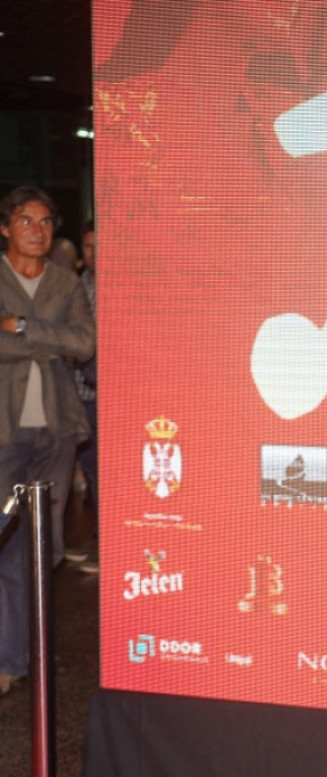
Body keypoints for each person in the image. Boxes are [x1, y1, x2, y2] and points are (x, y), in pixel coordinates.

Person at [0, 187, 95, 695]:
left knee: (48, 545)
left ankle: (27, 647)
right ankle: (12, 656)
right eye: (24, 220)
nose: (36, 231)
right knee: (8, 542)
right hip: (4, 431)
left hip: (56, 429)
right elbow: (65, 342)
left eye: (44, 222)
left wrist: (21, 328)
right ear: (4, 228)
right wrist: (49, 343)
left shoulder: (66, 281)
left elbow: (85, 343)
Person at [72, 221, 99, 573]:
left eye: (100, 245)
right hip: (80, 392)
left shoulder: (125, 286)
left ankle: (108, 542)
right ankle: (97, 536)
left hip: (117, 396)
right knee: (91, 466)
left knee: (112, 470)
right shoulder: (75, 287)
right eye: (89, 246)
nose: (95, 253)